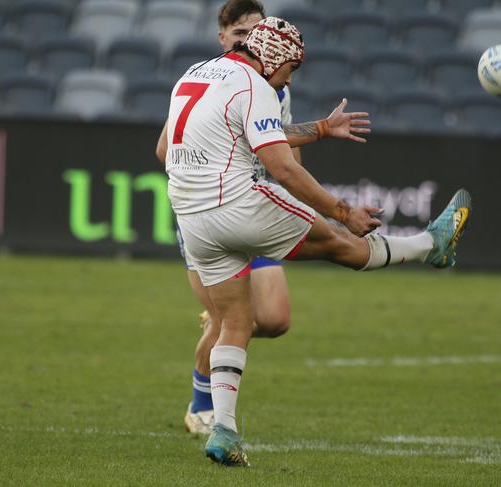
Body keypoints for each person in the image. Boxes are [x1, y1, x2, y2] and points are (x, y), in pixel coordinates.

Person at [164, 16, 471, 467]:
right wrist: (343, 211)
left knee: (235, 321)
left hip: (192, 219)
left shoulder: (195, 74)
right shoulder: (256, 86)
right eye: (290, 68)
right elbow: (283, 167)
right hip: (236, 202)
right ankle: (431, 246)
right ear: (272, 58)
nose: (290, 77)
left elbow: (251, 129)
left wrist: (322, 128)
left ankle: (224, 432)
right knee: (343, 245)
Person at [155, 0, 372, 435]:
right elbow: (165, 150)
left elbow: (281, 150)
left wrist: (315, 139)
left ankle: (217, 411)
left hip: (256, 205)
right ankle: (201, 410)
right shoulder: (217, 79)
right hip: (211, 208)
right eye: (241, 33)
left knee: (273, 320)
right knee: (231, 320)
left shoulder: (276, 88)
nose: (251, 39)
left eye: (258, 31)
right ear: (225, 39)